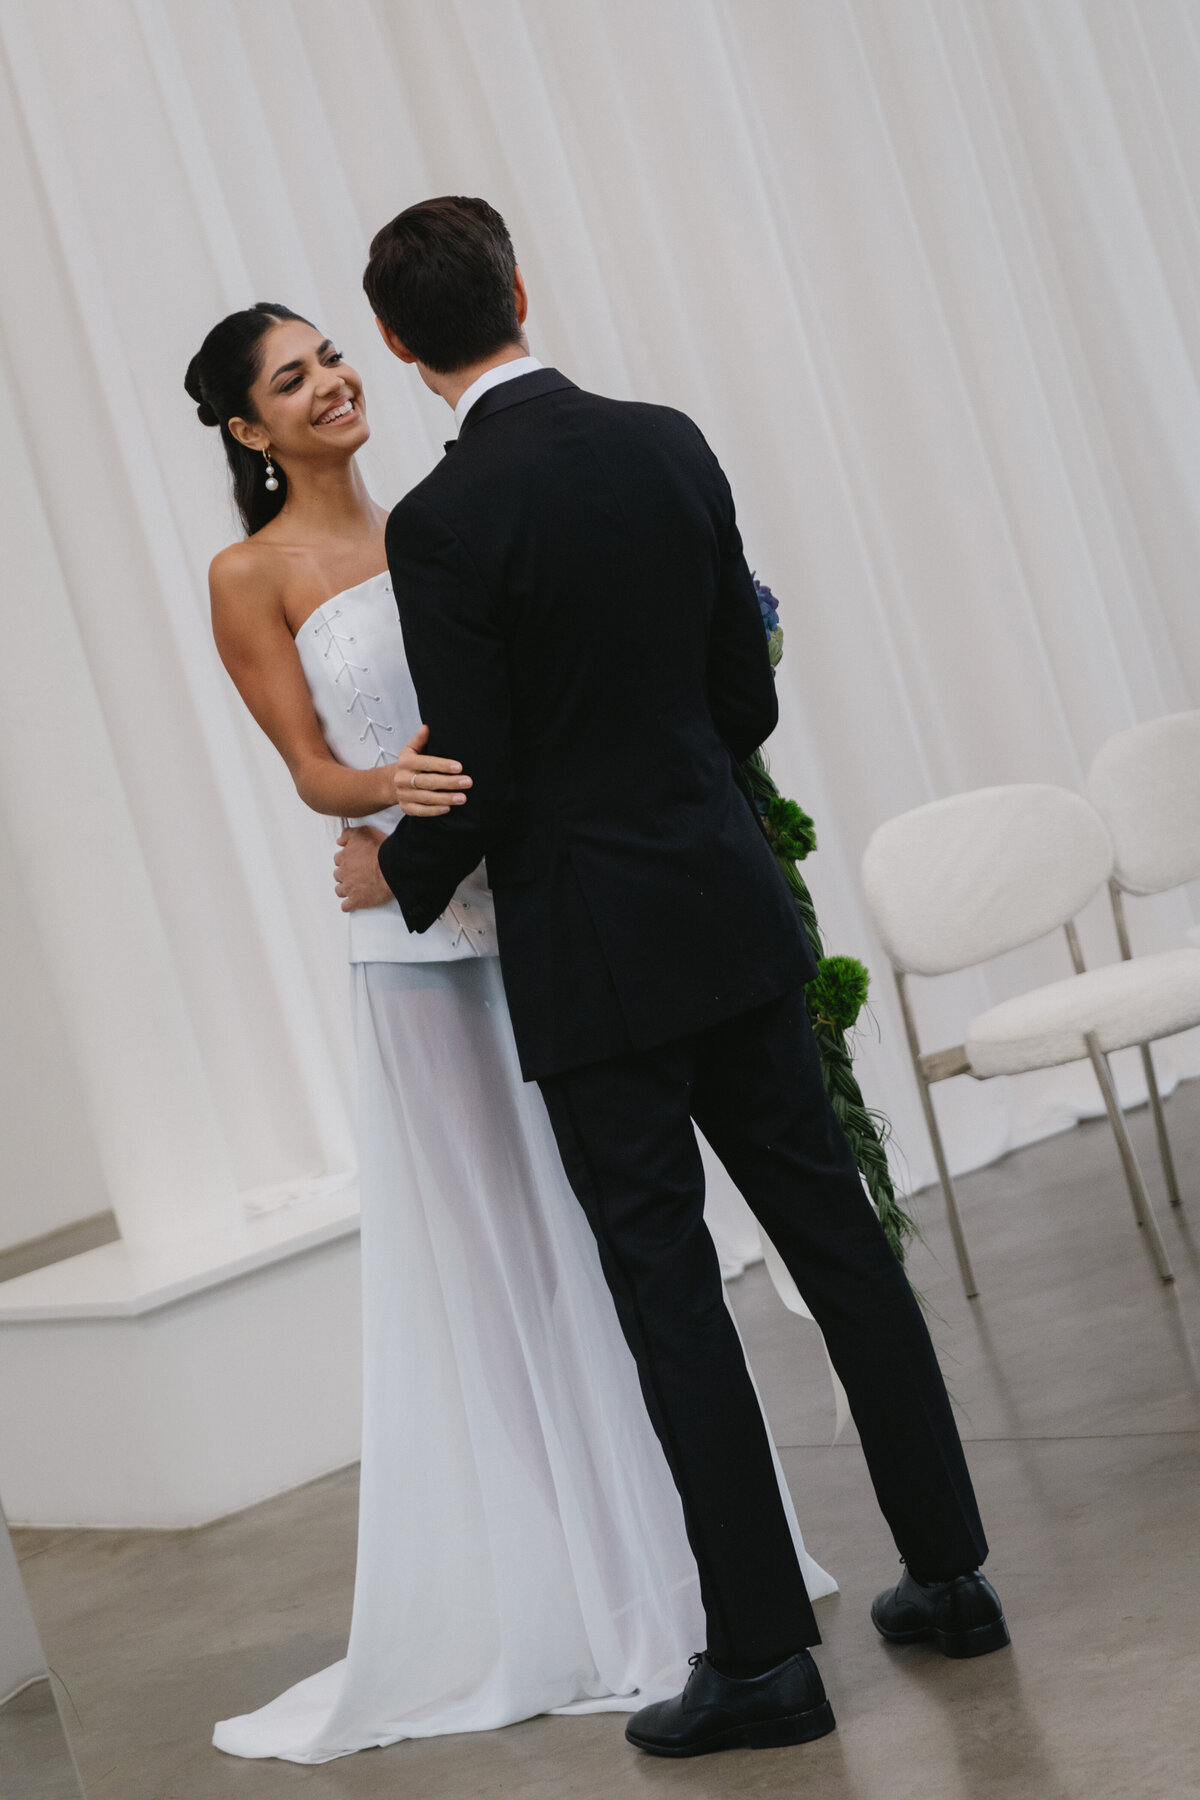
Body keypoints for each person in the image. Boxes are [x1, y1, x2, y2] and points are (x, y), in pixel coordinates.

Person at [336, 195, 1010, 1761]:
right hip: (726, 906)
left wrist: (400, 870)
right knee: (838, 1243)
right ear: (520, 287)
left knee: (672, 1291)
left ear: (395, 339)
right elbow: (740, 692)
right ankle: (954, 1579)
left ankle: (766, 1661)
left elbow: (482, 772)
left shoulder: (442, 524)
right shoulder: (665, 440)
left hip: (596, 956)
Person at [183, 305, 832, 1764]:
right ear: (249, 430)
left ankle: (692, 1575)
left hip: (552, 915)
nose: (330, 384)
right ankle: (567, 1590)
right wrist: (392, 810)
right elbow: (308, 770)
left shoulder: (448, 517)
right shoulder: (250, 573)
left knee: (624, 1252)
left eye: (334, 357)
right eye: (291, 381)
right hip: (421, 955)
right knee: (514, 1263)